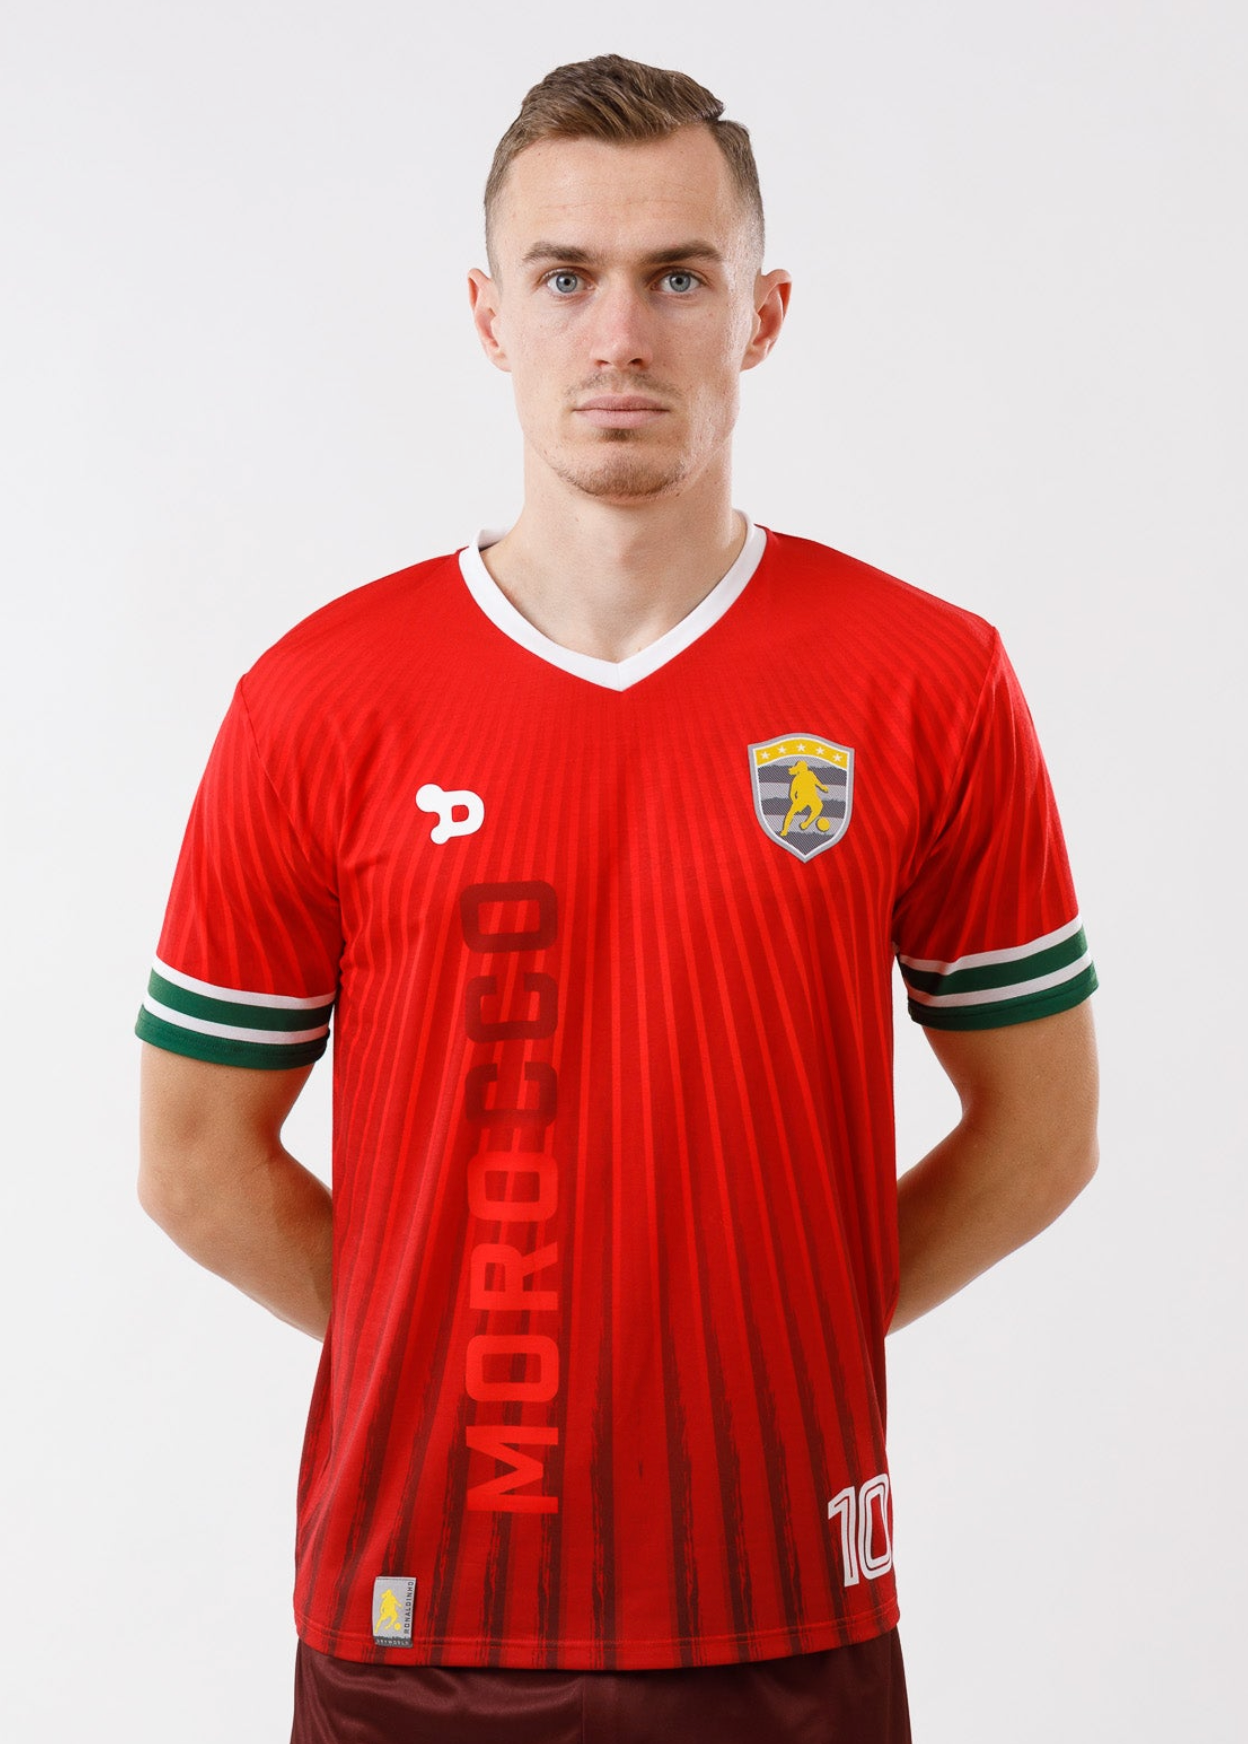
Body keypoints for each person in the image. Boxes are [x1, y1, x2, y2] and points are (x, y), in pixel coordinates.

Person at [136, 52, 1099, 1744]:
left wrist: (770, 1334)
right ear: (490, 315)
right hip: (419, 1611)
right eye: (566, 277)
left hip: (778, 1603)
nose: (620, 335)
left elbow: (1042, 1134)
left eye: (679, 278)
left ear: (764, 314)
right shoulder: (319, 699)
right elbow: (198, 1164)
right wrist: (457, 1350)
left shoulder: (926, 680)